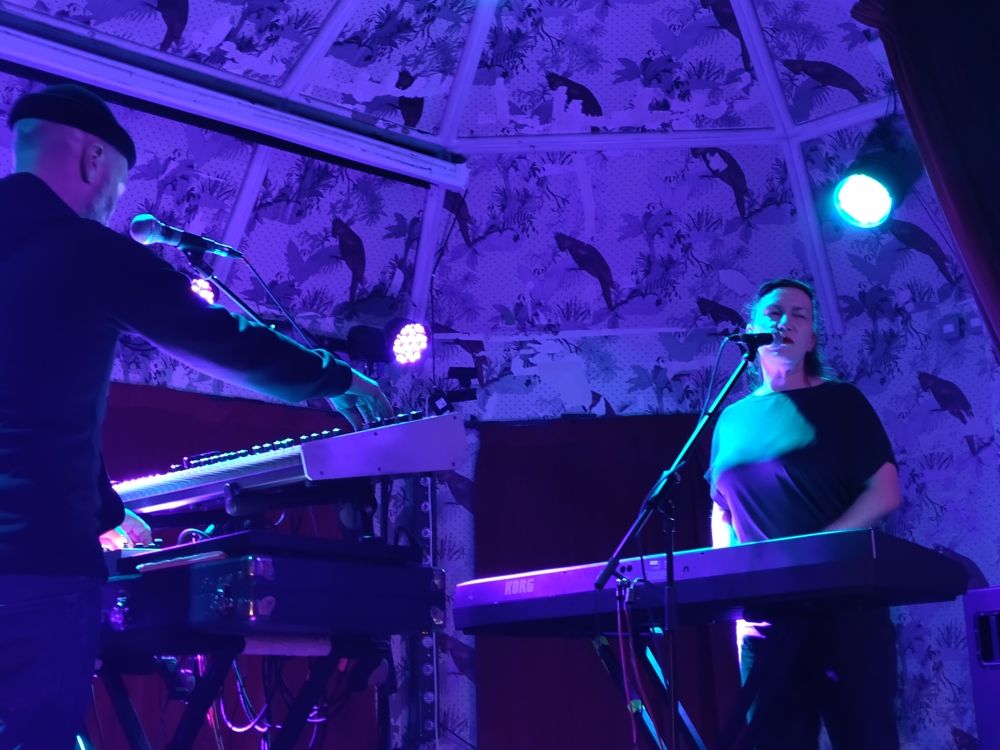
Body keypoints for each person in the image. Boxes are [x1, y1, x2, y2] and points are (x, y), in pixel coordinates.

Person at [0, 83, 392, 749]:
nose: (110, 204)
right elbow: (215, 337)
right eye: (116, 189)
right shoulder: (81, 247)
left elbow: (33, 394)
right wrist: (330, 377)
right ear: (93, 159)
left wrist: (102, 511)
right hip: (39, 566)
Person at [707, 278, 901, 750]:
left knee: (864, 738)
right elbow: (722, 508)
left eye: (799, 314)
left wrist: (821, 546)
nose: (786, 321)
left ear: (811, 337)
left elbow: (886, 491)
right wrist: (728, 589)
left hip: (844, 607)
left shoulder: (841, 402)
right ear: (752, 328)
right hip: (764, 617)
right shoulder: (730, 418)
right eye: (774, 312)